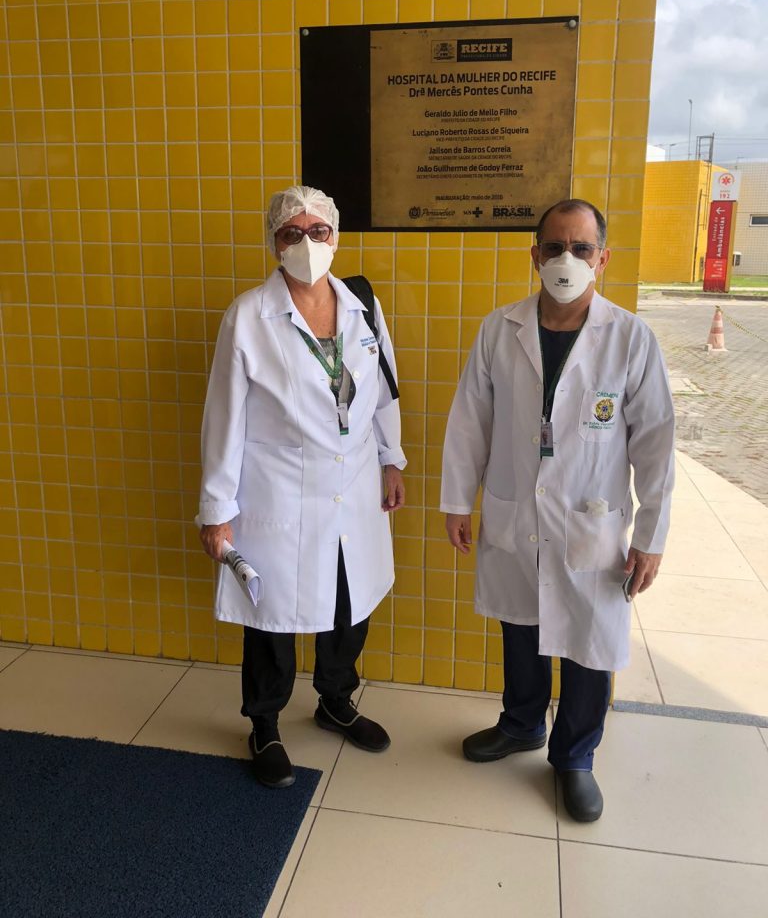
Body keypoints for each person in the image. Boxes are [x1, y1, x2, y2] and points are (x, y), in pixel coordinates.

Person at [440, 199, 674, 822]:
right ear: (534, 254)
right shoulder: (500, 329)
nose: (566, 259)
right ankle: (521, 723)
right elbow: (470, 421)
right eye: (554, 247)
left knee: (589, 641)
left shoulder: (629, 338)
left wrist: (651, 535)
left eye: (580, 248)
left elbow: (655, 443)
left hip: (590, 517)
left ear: (603, 258)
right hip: (518, 509)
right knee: (521, 624)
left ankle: (575, 757)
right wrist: (457, 500)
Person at [197, 185, 406, 788]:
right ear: (275, 243)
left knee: (348, 600)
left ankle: (336, 700)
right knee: (272, 615)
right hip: (278, 492)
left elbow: (383, 392)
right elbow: (224, 418)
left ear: (335, 237)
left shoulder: (363, 305)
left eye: (319, 231)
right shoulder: (248, 316)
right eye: (293, 233)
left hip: (355, 483)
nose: (307, 243)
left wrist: (392, 460)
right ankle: (264, 724)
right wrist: (216, 509)